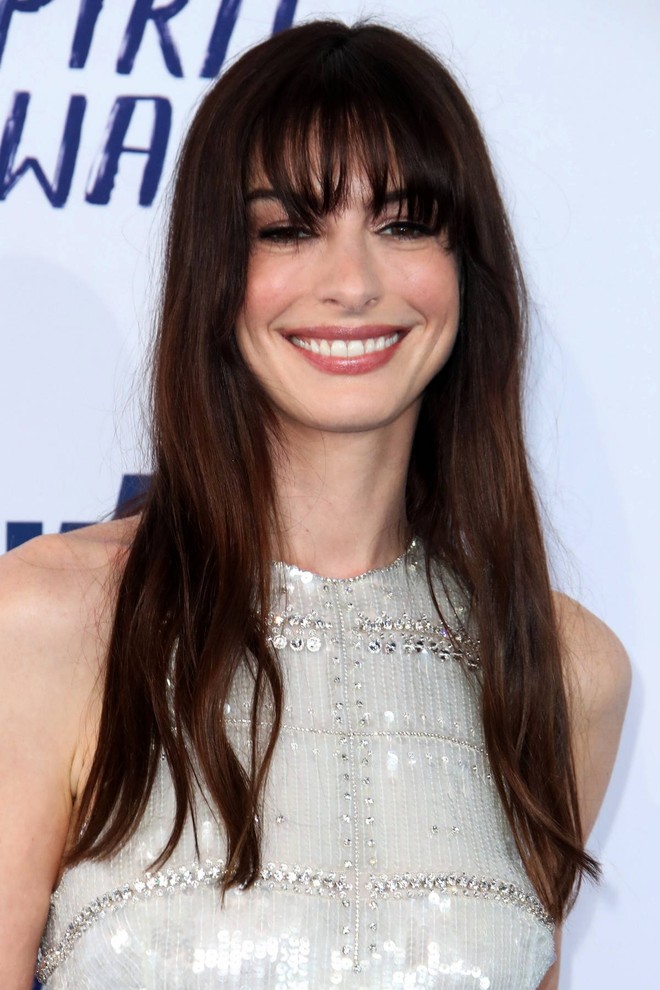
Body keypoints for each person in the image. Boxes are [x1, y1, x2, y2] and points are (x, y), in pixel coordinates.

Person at [0, 19, 630, 990]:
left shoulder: (564, 670)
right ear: (217, 272)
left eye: (404, 223)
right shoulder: (52, 624)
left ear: (467, 270)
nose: (352, 284)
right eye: (288, 229)